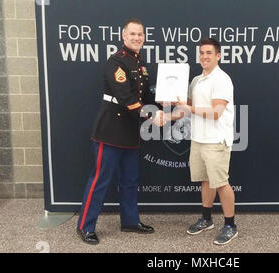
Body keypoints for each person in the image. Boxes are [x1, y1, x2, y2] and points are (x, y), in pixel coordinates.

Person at [76, 18, 165, 245]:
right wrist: (153, 115)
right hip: (111, 130)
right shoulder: (116, 62)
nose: (137, 38)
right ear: (124, 36)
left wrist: (164, 103)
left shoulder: (140, 64)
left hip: (130, 132)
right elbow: (127, 99)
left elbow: (144, 97)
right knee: (100, 180)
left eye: (140, 34)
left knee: (130, 180)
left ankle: (130, 221)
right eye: (133, 34)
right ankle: (85, 226)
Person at [169, 38, 237, 245]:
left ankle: (230, 226)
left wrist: (188, 108)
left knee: (221, 183)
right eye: (201, 53)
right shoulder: (197, 80)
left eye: (209, 53)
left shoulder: (222, 80)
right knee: (206, 181)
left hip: (216, 140)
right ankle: (207, 219)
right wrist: (171, 110)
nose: (204, 57)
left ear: (218, 56)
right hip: (198, 138)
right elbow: (186, 108)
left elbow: (216, 112)